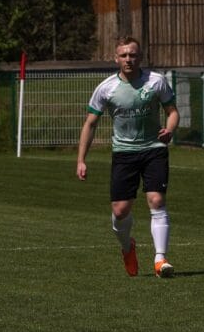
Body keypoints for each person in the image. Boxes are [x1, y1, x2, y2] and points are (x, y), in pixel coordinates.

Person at [77, 36, 179, 278]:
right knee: (121, 211)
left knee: (156, 200)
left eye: (132, 55)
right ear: (116, 58)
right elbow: (90, 123)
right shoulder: (106, 88)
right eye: (123, 55)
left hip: (154, 149)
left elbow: (172, 111)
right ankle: (127, 248)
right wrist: (81, 159)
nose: (128, 59)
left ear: (140, 57)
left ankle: (160, 259)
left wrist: (170, 129)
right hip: (124, 153)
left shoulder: (156, 81)